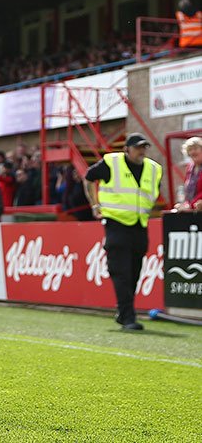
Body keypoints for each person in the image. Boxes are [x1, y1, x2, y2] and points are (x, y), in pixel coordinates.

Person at [83, 133, 163, 331]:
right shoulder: (111, 162)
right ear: (127, 149)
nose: (141, 151)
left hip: (139, 225)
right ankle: (128, 316)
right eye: (137, 147)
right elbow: (88, 178)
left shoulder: (154, 169)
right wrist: (94, 204)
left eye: (144, 147)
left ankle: (123, 311)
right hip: (116, 225)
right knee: (122, 272)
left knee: (135, 272)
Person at [175, 136, 202, 211]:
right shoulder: (190, 168)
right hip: (194, 210)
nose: (193, 152)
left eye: (196, 149)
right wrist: (185, 204)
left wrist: (190, 206)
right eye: (190, 150)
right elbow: (189, 190)